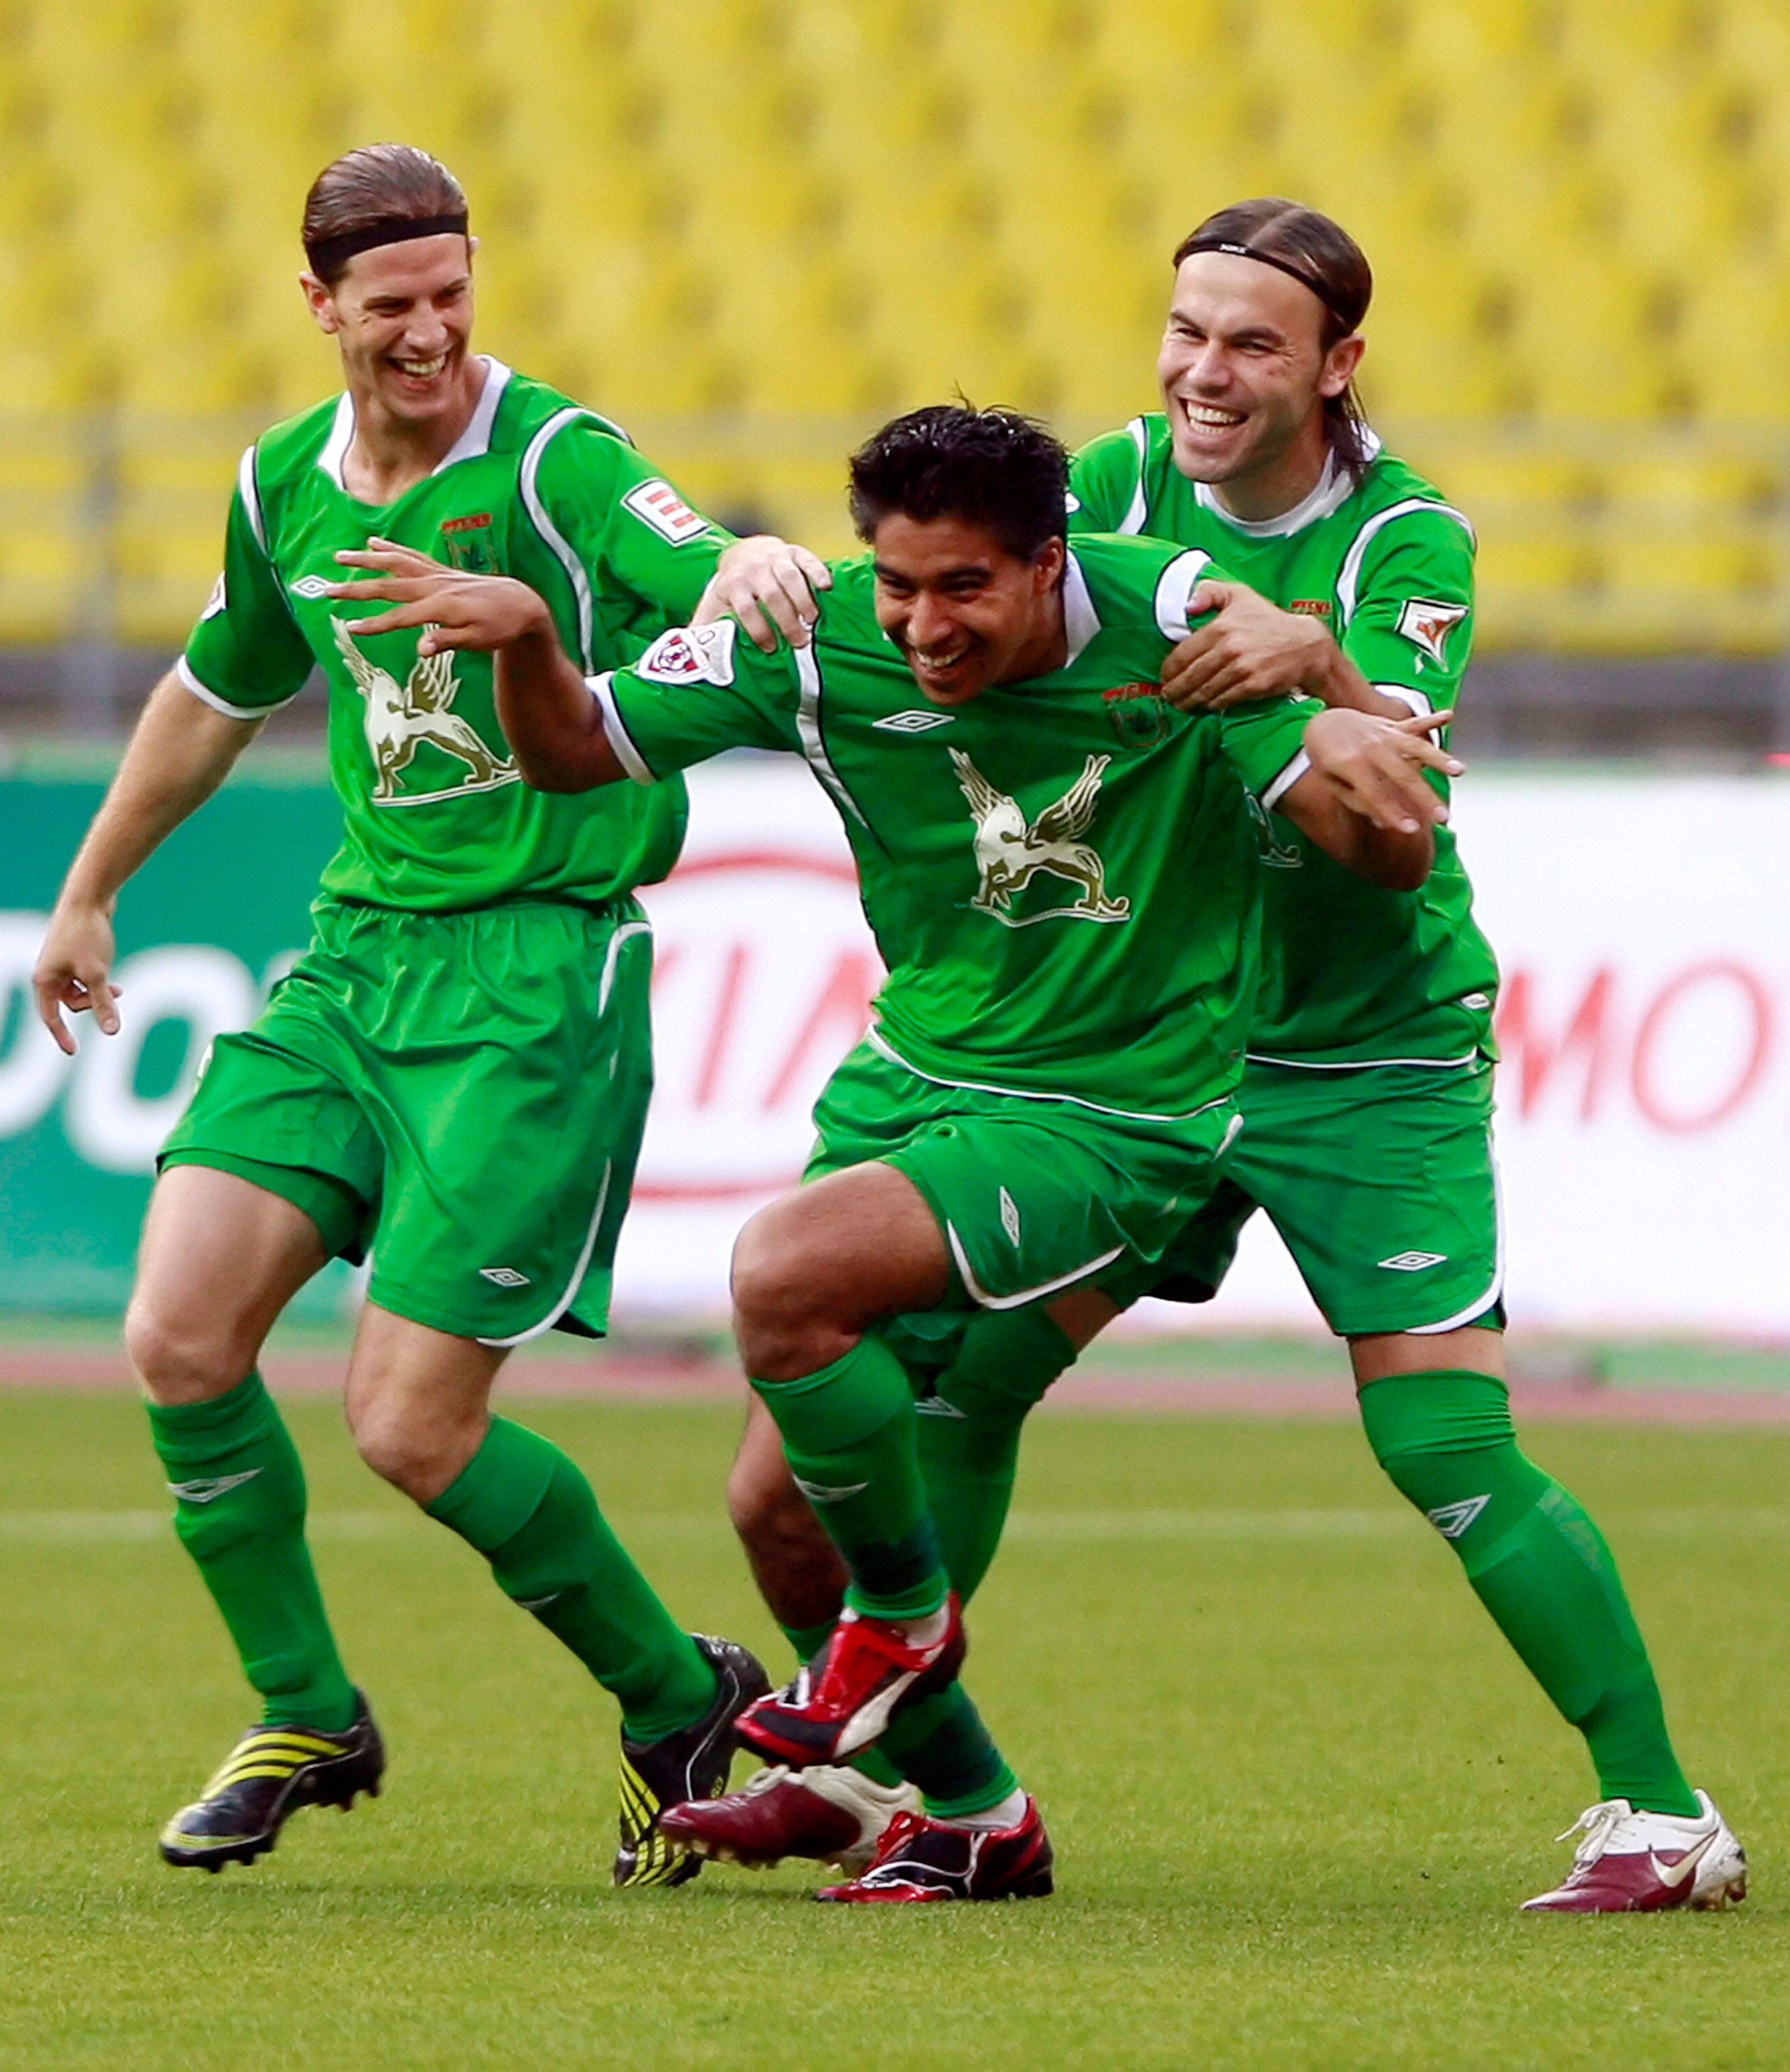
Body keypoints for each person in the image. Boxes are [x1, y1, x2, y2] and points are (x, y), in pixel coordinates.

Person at [712, 200, 1747, 1916]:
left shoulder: (1410, 537)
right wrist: (743, 566)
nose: (1205, 368)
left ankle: (1661, 1814)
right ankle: (925, 1792)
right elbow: (934, 613)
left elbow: (1406, 787)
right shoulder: (1093, 496)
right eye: (1188, 329)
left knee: (1441, 1448)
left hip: (1362, 1050)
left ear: (1339, 366)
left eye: (1254, 341)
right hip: (1141, 1053)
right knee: (967, 1387)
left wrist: (1319, 652)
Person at [323, 401, 1455, 1901]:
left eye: (965, 588)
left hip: (1119, 1111)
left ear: (1051, 562)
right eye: (900, 583)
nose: (924, 624)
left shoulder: (1174, 621)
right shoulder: (813, 639)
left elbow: (1391, 846)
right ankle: (978, 1813)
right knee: (772, 1512)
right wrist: (532, 636)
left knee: (781, 1275)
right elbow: (571, 757)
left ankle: (904, 1619)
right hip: (916, 1083)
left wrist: (1345, 728)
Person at [30, 142, 828, 1887]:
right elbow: (211, 688)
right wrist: (92, 887)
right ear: (317, 305)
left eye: (453, 295)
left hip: (536, 973)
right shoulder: (282, 487)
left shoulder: (550, 453)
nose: (430, 334)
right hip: (357, 963)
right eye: (392, 306)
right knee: (177, 1340)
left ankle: (671, 1697)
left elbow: (680, 548)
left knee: (407, 1425)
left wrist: (746, 567)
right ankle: (305, 1705)